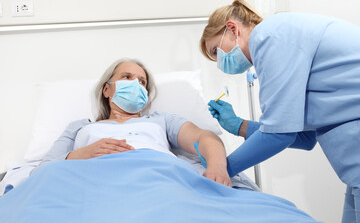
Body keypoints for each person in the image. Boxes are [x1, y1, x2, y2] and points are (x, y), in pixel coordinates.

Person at [199, 0, 360, 222]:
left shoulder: (269, 36)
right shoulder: (276, 44)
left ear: (232, 28)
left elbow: (278, 135)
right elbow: (303, 137)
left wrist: (220, 168)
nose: (219, 62)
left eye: (216, 51)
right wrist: (239, 125)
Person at [35, 58, 231, 187]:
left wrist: (217, 166)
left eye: (142, 82)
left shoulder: (160, 120)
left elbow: (204, 137)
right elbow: (41, 171)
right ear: (106, 90)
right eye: (126, 77)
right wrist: (79, 155)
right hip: (92, 180)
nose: (135, 84)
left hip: (158, 178)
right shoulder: (80, 127)